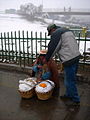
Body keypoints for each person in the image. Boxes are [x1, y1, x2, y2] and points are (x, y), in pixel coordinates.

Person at [42, 24, 81, 106]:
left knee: (69, 81)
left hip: (69, 59)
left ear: (52, 30)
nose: (51, 35)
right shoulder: (67, 30)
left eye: (50, 33)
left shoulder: (57, 33)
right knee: (69, 79)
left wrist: (47, 58)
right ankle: (68, 94)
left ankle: (75, 99)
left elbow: (52, 47)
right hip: (75, 56)